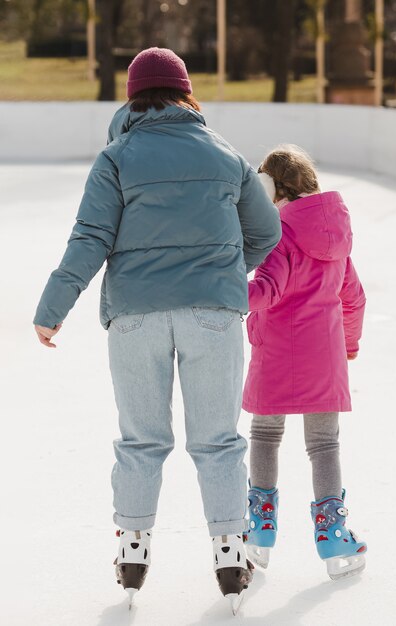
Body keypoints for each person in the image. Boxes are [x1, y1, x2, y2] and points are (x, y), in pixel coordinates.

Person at [33, 47, 281, 612]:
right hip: (212, 317)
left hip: (136, 317)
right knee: (217, 440)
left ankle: (133, 552)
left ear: (132, 96)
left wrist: (53, 305)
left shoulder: (116, 157)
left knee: (142, 440)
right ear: (185, 92)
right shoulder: (225, 155)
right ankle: (229, 552)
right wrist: (220, 274)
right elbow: (266, 233)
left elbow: (90, 238)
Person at [242, 145, 367, 580]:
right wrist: (348, 346)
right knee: (325, 445)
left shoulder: (279, 232)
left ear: (271, 191)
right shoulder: (337, 236)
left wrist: (220, 289)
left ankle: (259, 530)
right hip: (325, 357)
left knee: (264, 434)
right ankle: (332, 537)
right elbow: (352, 297)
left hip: (276, 352)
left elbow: (266, 291)